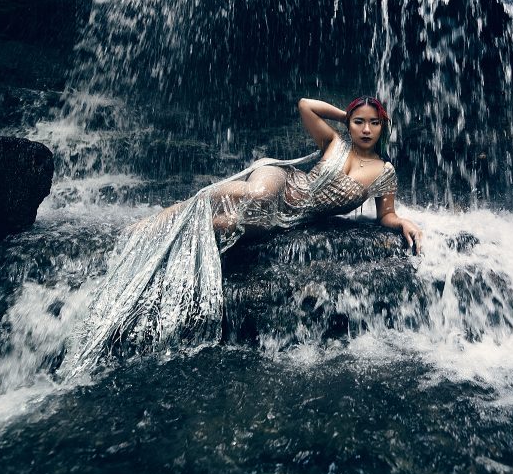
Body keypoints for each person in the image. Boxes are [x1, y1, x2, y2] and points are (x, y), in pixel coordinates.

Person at [62, 96, 422, 376]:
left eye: (373, 123)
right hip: (281, 183)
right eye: (359, 121)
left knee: (224, 224)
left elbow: (386, 215)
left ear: (383, 126)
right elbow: (305, 106)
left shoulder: (384, 172)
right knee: (256, 195)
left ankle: (173, 224)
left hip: (285, 220)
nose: (365, 129)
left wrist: (404, 223)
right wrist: (344, 117)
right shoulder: (334, 142)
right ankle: (154, 222)